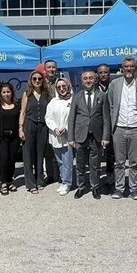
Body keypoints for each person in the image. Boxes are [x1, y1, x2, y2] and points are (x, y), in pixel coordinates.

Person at [107, 55, 137, 200]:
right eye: (126, 66)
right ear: (122, 68)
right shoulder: (115, 84)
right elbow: (111, 105)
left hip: (136, 128)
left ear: (135, 68)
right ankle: (119, 188)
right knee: (119, 162)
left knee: (134, 162)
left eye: (131, 66)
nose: (129, 69)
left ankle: (134, 189)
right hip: (119, 128)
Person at [68, 70, 110, 200]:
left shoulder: (102, 96)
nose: (88, 80)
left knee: (95, 165)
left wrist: (105, 136)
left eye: (91, 78)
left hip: (96, 135)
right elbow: (71, 118)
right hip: (80, 135)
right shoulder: (76, 96)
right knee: (80, 164)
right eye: (85, 78)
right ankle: (81, 187)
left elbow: (106, 118)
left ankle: (95, 187)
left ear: (95, 80)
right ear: (82, 81)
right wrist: (71, 138)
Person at [19, 70, 51, 193]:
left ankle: (39, 180)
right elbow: (22, 112)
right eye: (34, 79)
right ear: (31, 81)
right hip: (29, 125)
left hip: (42, 126)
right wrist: (20, 128)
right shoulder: (27, 94)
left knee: (40, 154)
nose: (37, 81)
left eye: (39, 79)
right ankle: (30, 183)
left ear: (43, 80)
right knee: (28, 155)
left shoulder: (46, 94)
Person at [46, 78, 74, 196]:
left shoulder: (73, 100)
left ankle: (67, 183)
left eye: (64, 86)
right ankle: (63, 180)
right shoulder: (53, 102)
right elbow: (48, 117)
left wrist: (65, 128)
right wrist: (55, 128)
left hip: (68, 135)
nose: (62, 89)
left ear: (68, 86)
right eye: (59, 87)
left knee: (67, 160)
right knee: (60, 161)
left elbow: (74, 118)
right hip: (55, 135)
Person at [0, 82, 20, 195]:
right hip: (2, 138)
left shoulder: (17, 105)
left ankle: (9, 181)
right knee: (4, 160)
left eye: (8, 92)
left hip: (14, 137)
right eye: (4, 92)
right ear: (0, 93)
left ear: (12, 92)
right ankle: (3, 183)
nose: (6, 94)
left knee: (12, 160)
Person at [96, 63, 114, 187]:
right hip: (98, 124)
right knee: (96, 152)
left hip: (112, 123)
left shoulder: (114, 86)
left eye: (105, 72)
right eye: (101, 72)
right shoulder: (93, 88)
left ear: (109, 73)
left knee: (111, 152)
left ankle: (110, 174)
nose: (103, 75)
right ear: (97, 74)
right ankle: (95, 177)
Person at [43, 59, 60, 185]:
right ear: (45, 69)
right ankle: (50, 175)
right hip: (44, 119)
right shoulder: (40, 82)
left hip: (59, 119)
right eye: (49, 67)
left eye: (53, 67)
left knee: (60, 148)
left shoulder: (62, 82)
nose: (51, 69)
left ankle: (60, 174)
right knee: (48, 149)